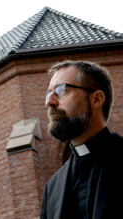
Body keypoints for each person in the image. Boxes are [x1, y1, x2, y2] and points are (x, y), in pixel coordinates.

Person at [40, 60, 123, 219]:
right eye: (48, 93)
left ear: (96, 99)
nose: (48, 102)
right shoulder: (51, 189)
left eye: (61, 90)